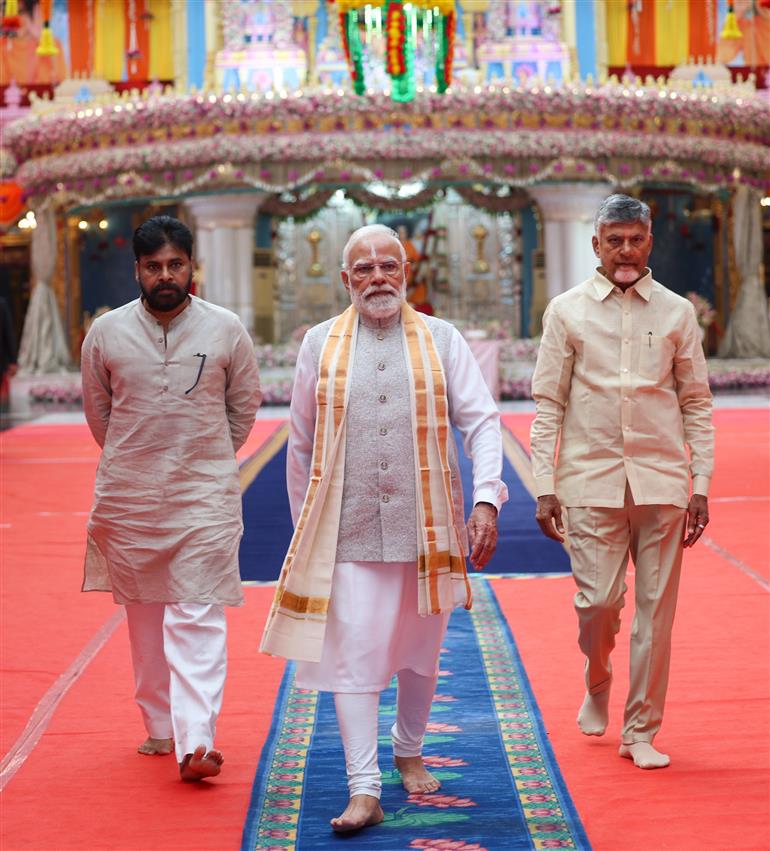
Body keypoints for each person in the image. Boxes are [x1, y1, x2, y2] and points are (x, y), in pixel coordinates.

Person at [261, 224, 508, 831]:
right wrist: (304, 531)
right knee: (357, 653)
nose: (377, 278)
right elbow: (300, 444)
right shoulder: (319, 343)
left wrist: (486, 499)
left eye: (388, 266)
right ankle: (364, 787)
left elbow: (481, 421)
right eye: (365, 269)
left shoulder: (443, 339)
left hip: (428, 523)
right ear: (345, 279)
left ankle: (409, 748)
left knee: (421, 651)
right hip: (346, 530)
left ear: (405, 273)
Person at [530, 194, 714, 770]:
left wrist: (700, 482)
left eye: (636, 239)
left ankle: (640, 730)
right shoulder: (566, 311)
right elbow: (548, 403)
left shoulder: (677, 313)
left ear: (650, 242)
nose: (626, 251)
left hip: (662, 483)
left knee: (656, 616)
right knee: (600, 604)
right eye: (615, 241)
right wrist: (544, 485)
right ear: (597, 245)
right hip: (590, 480)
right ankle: (597, 673)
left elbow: (696, 402)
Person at [81, 215, 261, 782]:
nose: (165, 276)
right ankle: (160, 724)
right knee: (145, 614)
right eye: (154, 266)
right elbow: (99, 413)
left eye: (175, 265)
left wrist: (205, 457)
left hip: (204, 493)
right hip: (131, 497)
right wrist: (141, 457)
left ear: (191, 266)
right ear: (137, 269)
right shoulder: (106, 332)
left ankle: (197, 741)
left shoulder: (225, 328)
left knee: (197, 610)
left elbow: (243, 406)